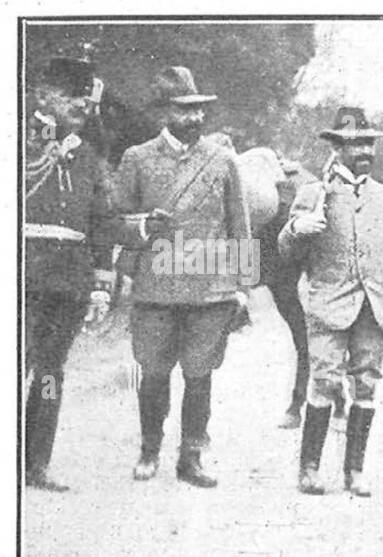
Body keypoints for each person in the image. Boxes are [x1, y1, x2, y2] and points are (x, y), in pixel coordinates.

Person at [112, 66, 252, 488]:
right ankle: (149, 449)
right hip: (155, 287)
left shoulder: (223, 159)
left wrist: (243, 288)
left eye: (198, 111)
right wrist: (142, 224)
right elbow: (116, 221)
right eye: (183, 110)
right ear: (164, 113)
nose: (194, 119)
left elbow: (239, 225)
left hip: (210, 291)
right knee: (152, 373)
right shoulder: (136, 158)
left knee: (199, 374)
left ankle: (191, 457)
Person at [278, 108, 383, 496]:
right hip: (328, 305)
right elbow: (285, 252)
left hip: (374, 309)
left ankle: (354, 471)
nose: (365, 151)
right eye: (356, 143)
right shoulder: (314, 194)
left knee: (367, 386)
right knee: (323, 381)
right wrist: (296, 229)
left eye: (370, 143)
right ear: (337, 149)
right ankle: (309, 468)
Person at [23, 57, 117, 492]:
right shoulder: (23, 140)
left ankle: (35, 463)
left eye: (85, 94)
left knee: (49, 373)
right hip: (22, 275)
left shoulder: (87, 152)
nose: (81, 102)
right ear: (43, 95)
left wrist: (101, 280)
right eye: (69, 93)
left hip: (68, 280)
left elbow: (100, 218)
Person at [255, 155, 319, 429]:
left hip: (303, 266)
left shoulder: (301, 187)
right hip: (281, 269)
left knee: (307, 337)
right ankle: (305, 399)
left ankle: (301, 400)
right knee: (303, 337)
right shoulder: (259, 194)